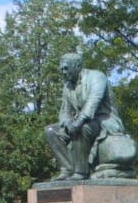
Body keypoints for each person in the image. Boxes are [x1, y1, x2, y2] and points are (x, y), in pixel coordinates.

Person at [44, 53, 127, 181]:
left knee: (82, 128)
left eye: (66, 68)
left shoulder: (97, 77)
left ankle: (81, 172)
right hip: (81, 121)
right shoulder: (68, 86)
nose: (63, 72)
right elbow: (64, 111)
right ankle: (68, 169)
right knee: (51, 131)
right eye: (61, 69)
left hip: (104, 121)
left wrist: (78, 122)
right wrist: (67, 123)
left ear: (77, 66)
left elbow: (93, 101)